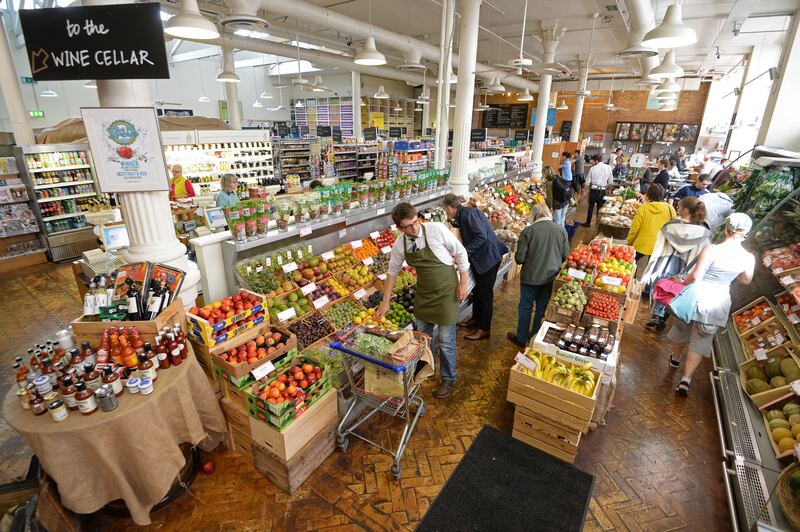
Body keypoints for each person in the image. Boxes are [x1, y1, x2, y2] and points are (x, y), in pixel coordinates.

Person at [377, 203, 470, 399]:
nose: (414, 228)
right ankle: (423, 371)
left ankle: (448, 377)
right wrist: (385, 301)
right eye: (408, 226)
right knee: (420, 339)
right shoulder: (400, 243)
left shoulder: (435, 229)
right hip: (424, 295)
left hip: (446, 293)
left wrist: (463, 283)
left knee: (446, 341)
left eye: (415, 223)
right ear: (399, 228)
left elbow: (460, 252)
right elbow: (392, 272)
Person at [668, 213, 755, 395]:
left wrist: (681, 283)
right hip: (719, 299)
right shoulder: (748, 258)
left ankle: (675, 359)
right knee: (701, 339)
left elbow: (697, 275)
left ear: (726, 229)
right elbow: (746, 280)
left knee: (682, 328)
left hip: (696, 295)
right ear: (746, 232)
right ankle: (686, 379)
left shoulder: (712, 249)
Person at [442, 194, 508, 341]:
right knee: (478, 291)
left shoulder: (468, 215)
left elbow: (481, 237)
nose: (446, 212)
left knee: (485, 295)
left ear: (449, 208)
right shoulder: (465, 214)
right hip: (483, 258)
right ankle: (476, 319)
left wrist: (463, 253)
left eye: (445, 210)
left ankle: (484, 329)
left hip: (488, 258)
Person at [641, 197, 711, 332]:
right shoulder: (704, 233)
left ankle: (656, 315)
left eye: (679, 207)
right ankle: (664, 317)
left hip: (666, 262)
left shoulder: (670, 227)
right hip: (685, 267)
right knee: (675, 291)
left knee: (662, 288)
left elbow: (659, 246)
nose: (677, 209)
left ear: (685, 210)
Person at [507, 203, 569, 348]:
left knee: (525, 307)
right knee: (541, 308)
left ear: (534, 216)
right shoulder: (561, 230)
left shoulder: (528, 231)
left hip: (530, 277)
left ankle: (521, 338)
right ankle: (535, 337)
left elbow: (519, 259)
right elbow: (565, 255)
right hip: (550, 277)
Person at [627, 184, 677, 264]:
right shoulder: (669, 209)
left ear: (648, 195)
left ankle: (633, 276)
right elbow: (674, 227)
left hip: (641, 244)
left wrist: (629, 241)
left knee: (631, 264)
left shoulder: (643, 208)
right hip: (660, 245)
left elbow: (635, 228)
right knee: (652, 269)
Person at [582, 154, 614, 227]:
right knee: (600, 208)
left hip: (594, 190)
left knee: (591, 207)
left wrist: (585, 190)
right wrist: (609, 190)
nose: (592, 162)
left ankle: (588, 223)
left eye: (593, 161)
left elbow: (587, 182)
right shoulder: (608, 167)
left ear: (596, 160)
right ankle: (598, 224)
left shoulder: (593, 168)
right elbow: (610, 181)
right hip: (602, 190)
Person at [552, 153, 574, 227]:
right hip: (565, 201)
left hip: (566, 179)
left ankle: (559, 230)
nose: (561, 157)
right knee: (562, 216)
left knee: (558, 219)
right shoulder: (568, 161)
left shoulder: (566, 162)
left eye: (562, 156)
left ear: (564, 156)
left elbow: (558, 166)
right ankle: (562, 230)